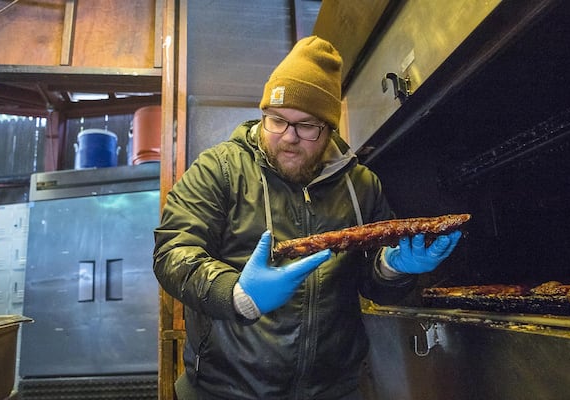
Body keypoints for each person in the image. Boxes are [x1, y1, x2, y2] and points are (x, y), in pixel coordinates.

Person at [153, 36, 462, 400]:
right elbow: (173, 252)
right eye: (277, 120)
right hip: (226, 389)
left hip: (333, 390)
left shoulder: (361, 185)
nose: (287, 138)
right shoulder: (219, 170)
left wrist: (393, 269)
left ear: (329, 128)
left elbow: (371, 284)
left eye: (307, 126)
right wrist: (236, 294)